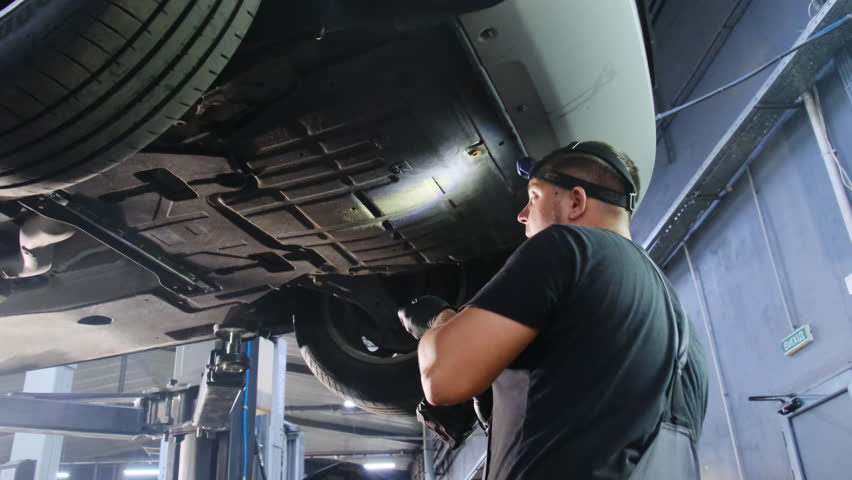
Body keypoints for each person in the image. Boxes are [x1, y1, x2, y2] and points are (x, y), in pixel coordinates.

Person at [398, 141, 709, 479]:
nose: (522, 214)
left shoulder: (570, 247)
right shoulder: (684, 334)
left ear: (576, 201)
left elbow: (443, 377)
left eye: (534, 196)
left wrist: (439, 320)